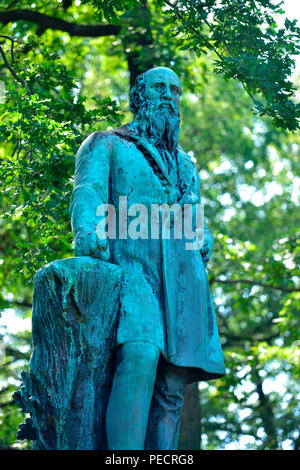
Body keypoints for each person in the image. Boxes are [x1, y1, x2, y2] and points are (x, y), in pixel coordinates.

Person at [70, 66, 226, 450]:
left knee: (173, 383)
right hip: (131, 270)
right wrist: (88, 232)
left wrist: (202, 235)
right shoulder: (106, 143)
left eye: (175, 90)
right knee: (140, 354)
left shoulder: (186, 164)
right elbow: (87, 192)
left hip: (181, 279)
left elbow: (194, 214)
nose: (169, 96)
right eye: (159, 87)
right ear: (139, 96)